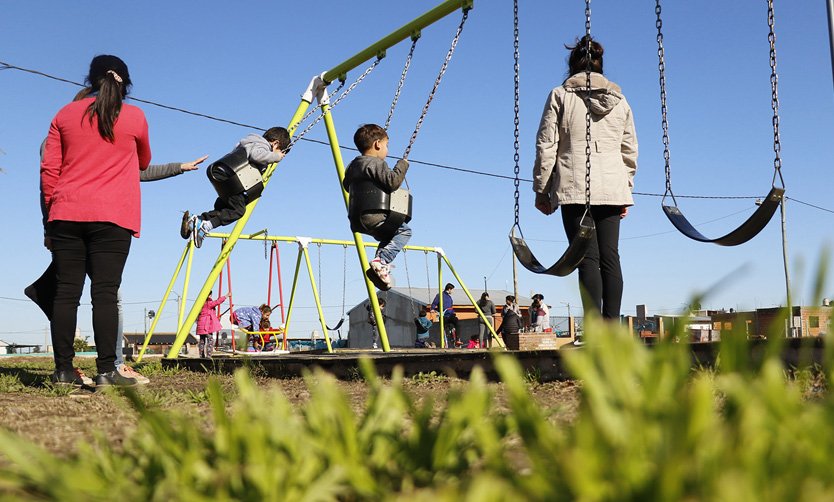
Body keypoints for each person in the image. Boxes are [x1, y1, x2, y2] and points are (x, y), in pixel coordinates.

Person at [39, 55, 149, 387]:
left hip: (66, 213)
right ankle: (106, 372)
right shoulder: (134, 117)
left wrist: (49, 222)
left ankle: (63, 372)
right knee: (104, 292)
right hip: (113, 217)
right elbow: (143, 160)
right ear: (124, 84)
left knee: (66, 293)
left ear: (90, 80)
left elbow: (49, 172)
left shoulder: (64, 114)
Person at [532, 35, 637, 321]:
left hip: (574, 186)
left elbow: (547, 144)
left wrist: (542, 191)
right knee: (610, 258)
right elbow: (629, 148)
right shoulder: (620, 100)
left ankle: (593, 330)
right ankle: (613, 327)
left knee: (586, 259)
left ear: (572, 66)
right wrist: (625, 189)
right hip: (612, 188)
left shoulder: (560, 95)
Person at [181, 127, 290, 248]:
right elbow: (257, 155)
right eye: (279, 150)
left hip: (221, 174)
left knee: (226, 208)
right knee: (238, 210)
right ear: (275, 143)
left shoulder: (249, 141)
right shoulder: (262, 145)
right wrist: (276, 156)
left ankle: (196, 221)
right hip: (231, 177)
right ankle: (205, 226)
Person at [342, 124, 412, 291]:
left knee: (388, 237)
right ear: (378, 144)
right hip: (376, 215)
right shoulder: (376, 163)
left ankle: (378, 267)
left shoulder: (352, 166)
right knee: (404, 231)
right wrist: (402, 165)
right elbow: (393, 182)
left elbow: (347, 185)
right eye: (387, 145)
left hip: (358, 220)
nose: (387, 150)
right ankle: (382, 260)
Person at [196, 290, 229, 358]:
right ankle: (208, 355)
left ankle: (201, 355)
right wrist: (226, 296)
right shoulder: (208, 303)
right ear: (209, 295)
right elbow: (217, 302)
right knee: (210, 340)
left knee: (202, 340)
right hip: (206, 326)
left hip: (200, 325)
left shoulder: (201, 303)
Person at [431, 283, 460, 347]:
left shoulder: (449, 297)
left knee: (457, 321)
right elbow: (434, 303)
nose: (453, 291)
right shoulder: (440, 295)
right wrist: (432, 309)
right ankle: (444, 341)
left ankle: (457, 339)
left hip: (450, 314)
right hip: (444, 315)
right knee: (442, 327)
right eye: (452, 290)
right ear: (449, 289)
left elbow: (451, 306)